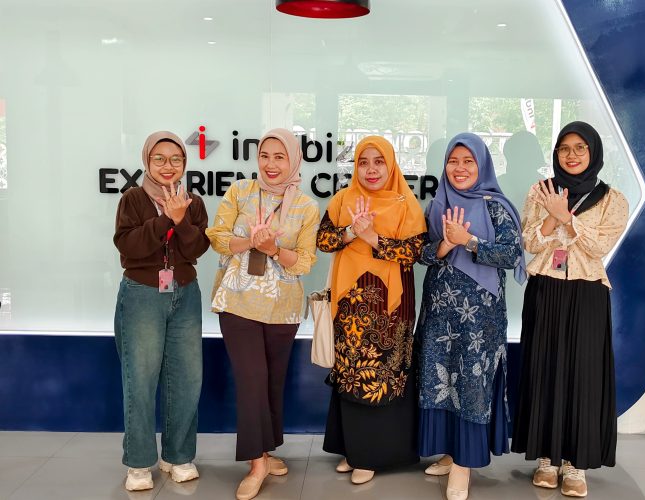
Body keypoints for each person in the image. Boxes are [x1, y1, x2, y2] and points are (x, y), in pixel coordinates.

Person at [511, 121, 629, 497]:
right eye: (564, 148)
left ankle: (575, 464)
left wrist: (567, 217)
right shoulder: (540, 191)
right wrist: (551, 213)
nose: (572, 155)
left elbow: (598, 248)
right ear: (556, 153)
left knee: (583, 374)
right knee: (543, 369)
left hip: (587, 293)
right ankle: (546, 459)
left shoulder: (611, 199)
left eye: (580, 147)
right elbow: (530, 242)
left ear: (593, 152)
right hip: (545, 289)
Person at [205, 128, 319, 500]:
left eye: (279, 157)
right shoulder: (240, 191)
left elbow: (304, 262)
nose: (271, 164)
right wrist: (249, 241)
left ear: (293, 160)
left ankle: (267, 453)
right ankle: (257, 464)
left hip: (282, 307)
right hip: (237, 301)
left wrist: (271, 249)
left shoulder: (306, 207)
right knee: (251, 378)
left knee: (271, 382)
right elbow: (217, 237)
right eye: (265, 156)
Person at [416, 133, 526, 500]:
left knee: (471, 384)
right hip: (439, 313)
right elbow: (422, 254)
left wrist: (469, 241)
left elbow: (511, 254)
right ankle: (450, 452)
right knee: (440, 379)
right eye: (453, 161)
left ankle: (464, 464)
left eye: (468, 161)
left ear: (482, 165)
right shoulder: (437, 205)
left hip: (480, 319)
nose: (459, 168)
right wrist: (444, 245)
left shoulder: (496, 207)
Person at [316, 136, 427, 485]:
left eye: (379, 161)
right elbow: (324, 240)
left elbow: (414, 252)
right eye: (363, 162)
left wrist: (372, 239)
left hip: (389, 309)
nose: (371, 170)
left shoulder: (406, 204)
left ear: (391, 164)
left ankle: (371, 456)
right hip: (349, 305)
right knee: (351, 374)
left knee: (380, 377)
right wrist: (352, 230)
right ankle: (353, 450)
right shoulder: (342, 199)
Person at [113, 131, 210, 491]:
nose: (168, 166)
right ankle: (139, 464)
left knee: (187, 378)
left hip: (185, 294)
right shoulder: (133, 198)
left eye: (176, 159)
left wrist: (181, 220)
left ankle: (178, 456)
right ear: (147, 161)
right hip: (142, 295)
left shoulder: (193, 202)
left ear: (185, 163)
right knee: (140, 379)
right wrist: (166, 219)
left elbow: (196, 249)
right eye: (159, 159)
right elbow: (128, 246)